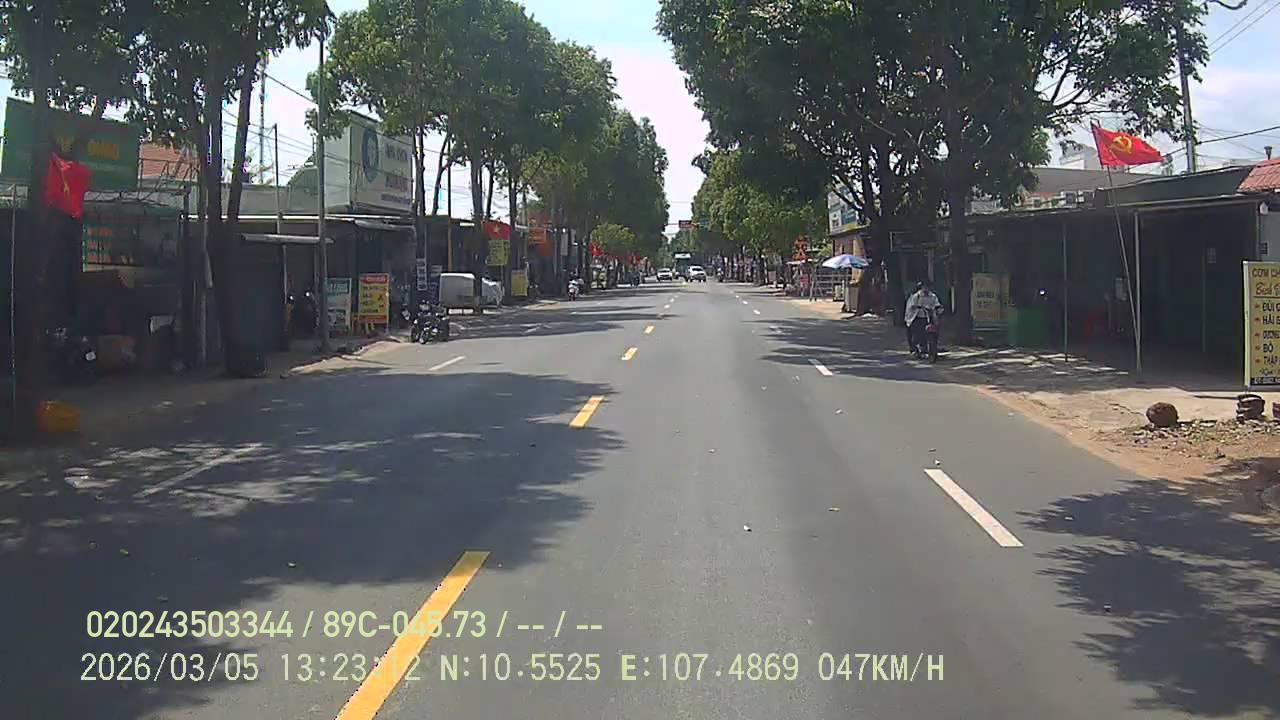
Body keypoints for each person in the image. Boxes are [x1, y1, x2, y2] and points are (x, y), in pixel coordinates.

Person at [905, 281, 941, 352]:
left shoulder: (933, 296)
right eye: (924, 287)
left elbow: (937, 304)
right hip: (917, 317)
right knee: (918, 333)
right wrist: (918, 307)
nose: (926, 288)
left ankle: (934, 346)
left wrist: (938, 309)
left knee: (935, 329)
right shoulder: (916, 296)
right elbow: (911, 306)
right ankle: (916, 347)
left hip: (929, 317)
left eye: (927, 287)